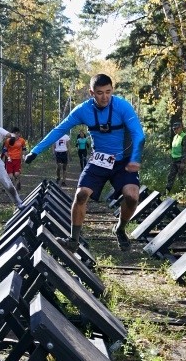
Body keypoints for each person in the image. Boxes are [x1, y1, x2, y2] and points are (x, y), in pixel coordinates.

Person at [23, 73, 145, 252]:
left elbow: (138, 134)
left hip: (123, 162)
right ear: (91, 93)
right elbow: (60, 129)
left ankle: (120, 229)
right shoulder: (82, 110)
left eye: (108, 92)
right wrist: (35, 151)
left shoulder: (122, 106)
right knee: (81, 195)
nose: (105, 97)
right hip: (99, 160)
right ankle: (73, 240)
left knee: (132, 196)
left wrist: (135, 159)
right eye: (100, 93)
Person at [165, 121, 186, 195]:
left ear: (181, 128)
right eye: (174, 129)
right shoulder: (175, 137)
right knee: (170, 176)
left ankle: (185, 193)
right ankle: (167, 191)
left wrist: (183, 162)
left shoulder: (185, 136)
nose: (175, 130)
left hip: (181, 161)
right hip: (174, 161)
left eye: (176, 128)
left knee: (182, 178)